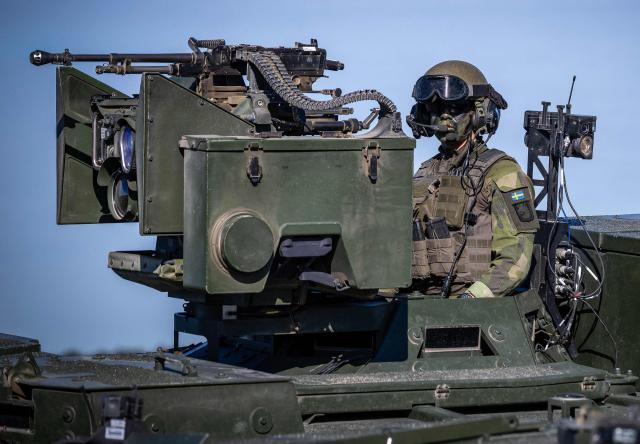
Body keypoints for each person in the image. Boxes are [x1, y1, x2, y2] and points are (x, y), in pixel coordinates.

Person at [406, 60, 539, 298]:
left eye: (455, 108)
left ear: (480, 114)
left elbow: (515, 258)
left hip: (470, 306)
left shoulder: (502, 173)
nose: (444, 116)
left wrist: (471, 300)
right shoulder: (425, 172)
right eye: (436, 109)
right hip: (419, 300)